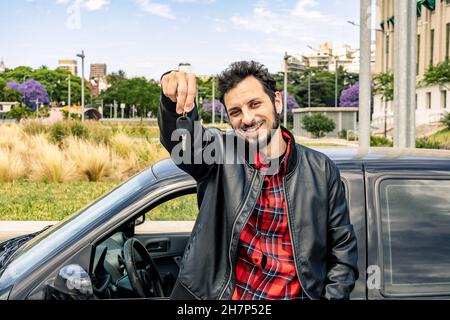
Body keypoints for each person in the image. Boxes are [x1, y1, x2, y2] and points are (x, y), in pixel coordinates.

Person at [158, 61, 358, 300]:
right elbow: (182, 143)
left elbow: (342, 250)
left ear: (277, 102)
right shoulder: (218, 153)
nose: (247, 118)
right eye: (235, 112)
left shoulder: (321, 169)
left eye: (255, 104)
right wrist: (172, 102)